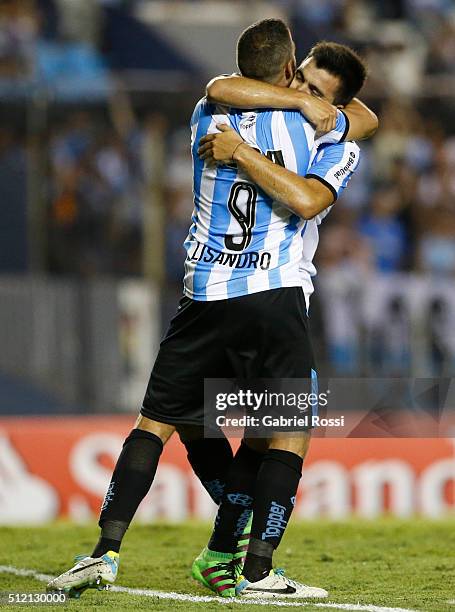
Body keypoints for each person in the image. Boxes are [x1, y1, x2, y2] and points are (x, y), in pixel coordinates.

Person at [46, 19, 375, 600]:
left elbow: (225, 87)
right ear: (289, 64)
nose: (309, 93)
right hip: (270, 294)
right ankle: (252, 565)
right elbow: (310, 182)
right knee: (281, 431)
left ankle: (122, 551)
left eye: (321, 93)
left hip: (202, 293)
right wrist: (311, 107)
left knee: (176, 422)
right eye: (301, 79)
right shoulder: (317, 133)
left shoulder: (209, 114)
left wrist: (254, 139)